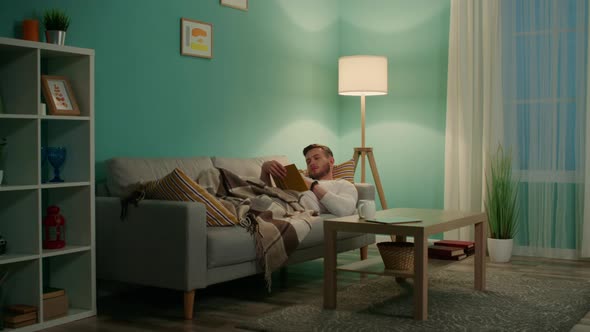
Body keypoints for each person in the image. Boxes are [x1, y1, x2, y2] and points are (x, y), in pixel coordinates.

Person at [260, 144, 358, 217]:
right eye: (308, 161)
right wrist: (265, 170)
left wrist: (312, 186)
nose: (312, 163)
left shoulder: (343, 184)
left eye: (316, 158)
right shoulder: (301, 178)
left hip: (286, 208)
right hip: (273, 202)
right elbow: (266, 195)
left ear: (331, 161)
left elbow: (345, 209)